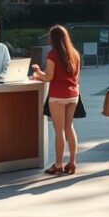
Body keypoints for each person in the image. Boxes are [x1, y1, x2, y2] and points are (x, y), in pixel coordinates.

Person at [31, 25, 81, 175]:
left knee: (59, 131)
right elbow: (76, 77)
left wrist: (37, 71)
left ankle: (58, 164)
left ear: (53, 39)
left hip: (58, 96)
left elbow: (49, 77)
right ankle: (72, 162)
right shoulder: (75, 53)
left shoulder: (53, 54)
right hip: (73, 95)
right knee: (69, 128)